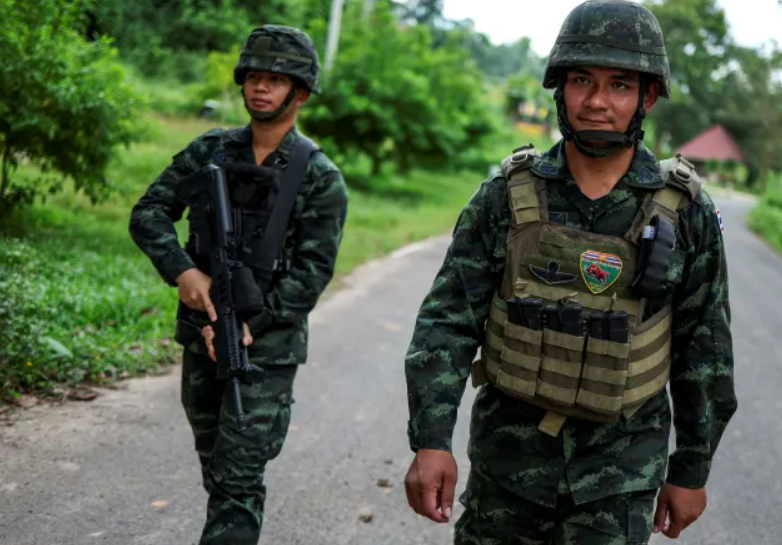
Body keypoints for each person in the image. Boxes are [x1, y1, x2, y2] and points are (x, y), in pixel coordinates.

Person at [402, 1, 737, 543]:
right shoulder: (505, 197)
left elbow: (705, 350)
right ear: (559, 88)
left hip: (619, 484)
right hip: (506, 473)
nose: (598, 101)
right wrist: (430, 439)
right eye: (582, 80)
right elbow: (447, 321)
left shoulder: (686, 212)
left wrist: (692, 469)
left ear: (647, 96)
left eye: (620, 85)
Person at [129, 25, 348, 545]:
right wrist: (184, 271)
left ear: (300, 92)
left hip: (265, 353)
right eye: (253, 77)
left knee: (237, 480)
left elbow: (310, 276)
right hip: (199, 335)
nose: (260, 88)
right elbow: (149, 214)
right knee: (218, 472)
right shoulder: (209, 150)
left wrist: (245, 325)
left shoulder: (320, 177)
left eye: (275, 79)